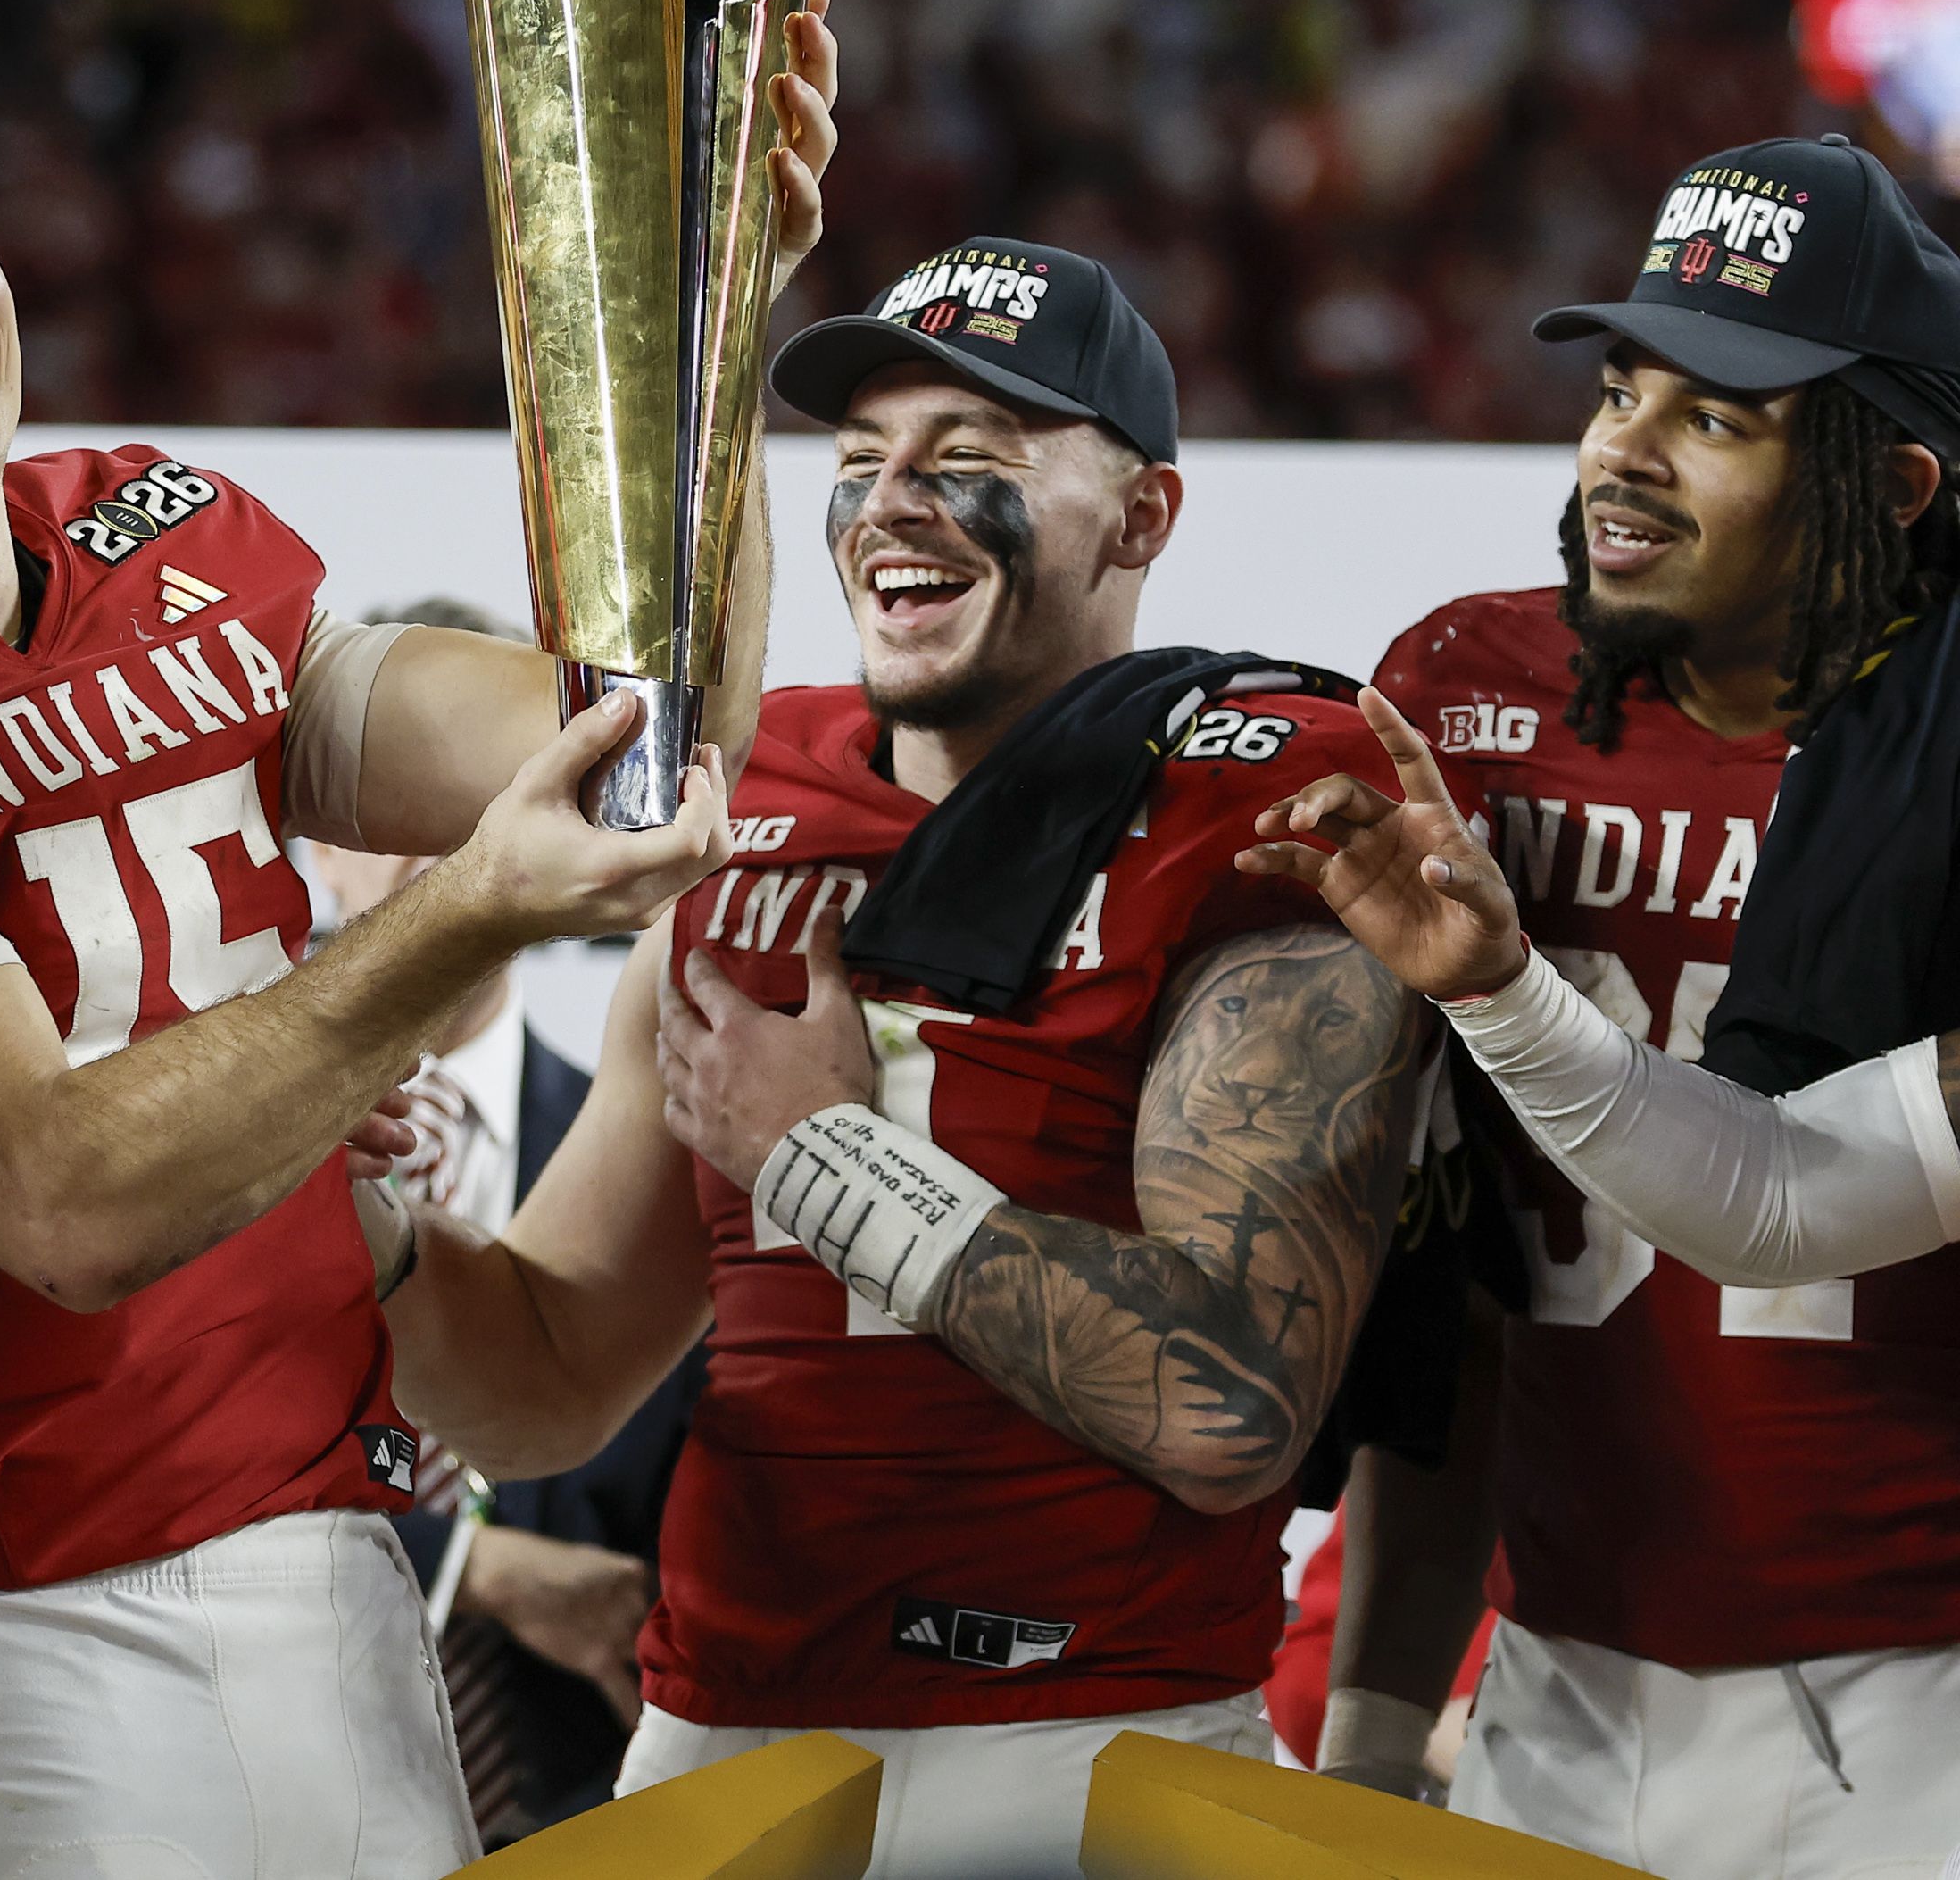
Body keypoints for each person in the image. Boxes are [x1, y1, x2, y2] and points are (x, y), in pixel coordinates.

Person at [0, 33, 832, 1876]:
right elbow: (64, 1196)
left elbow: (638, 751)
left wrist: (712, 330)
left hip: (349, 1602)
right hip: (25, 1654)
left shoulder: (168, 552)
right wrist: (447, 919)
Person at [380, 239, 1438, 1880]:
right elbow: (545, 1383)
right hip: (728, 1732)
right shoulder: (744, 807)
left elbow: (1230, 1400)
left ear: (1143, 515)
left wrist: (828, 1164)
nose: (893, 503)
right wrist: (358, 1220)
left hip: (1095, 1741)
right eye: (863, 461)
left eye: (972, 456)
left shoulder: (1267, 801)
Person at [1250, 135, 1960, 1874]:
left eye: (1717, 413)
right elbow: (1458, 1293)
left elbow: (1786, 1198)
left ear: (1894, 486)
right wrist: (1360, 1736)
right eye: (1619, 382)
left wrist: (1497, 990)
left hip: (1914, 1708)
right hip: (1547, 1696)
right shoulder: (1466, 693)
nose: (1621, 449)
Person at [302, 603, 710, 1851]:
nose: (434, 847)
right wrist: (466, 1566)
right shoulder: (212, 1152)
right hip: (259, 1791)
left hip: (581, 1818)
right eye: (392, 806)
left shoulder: (648, 1164)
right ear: (317, 841)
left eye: (473, 798)